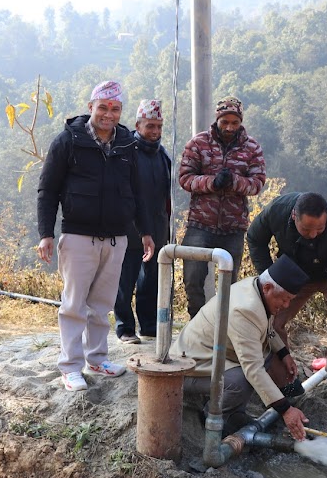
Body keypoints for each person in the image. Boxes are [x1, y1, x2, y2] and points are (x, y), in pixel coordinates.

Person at [36, 80, 155, 392]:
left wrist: (145, 232)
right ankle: (71, 367)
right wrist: (46, 234)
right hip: (78, 236)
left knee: (102, 304)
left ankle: (97, 358)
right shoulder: (68, 141)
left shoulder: (127, 143)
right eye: (102, 107)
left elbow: (137, 192)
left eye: (115, 109)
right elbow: (47, 190)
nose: (108, 114)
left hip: (117, 238)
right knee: (74, 304)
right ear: (91, 107)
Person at [171, 256, 311, 440]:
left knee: (269, 356)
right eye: (284, 300)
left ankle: (235, 412)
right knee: (241, 381)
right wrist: (286, 411)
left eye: (290, 301)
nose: (286, 306)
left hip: (215, 353)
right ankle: (213, 417)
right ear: (268, 288)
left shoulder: (257, 286)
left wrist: (284, 353)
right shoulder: (245, 309)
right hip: (190, 366)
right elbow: (253, 369)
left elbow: (267, 328)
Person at [246, 192, 327, 400]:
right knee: (272, 321)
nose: (314, 235)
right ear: (294, 216)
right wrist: (270, 276)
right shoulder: (278, 210)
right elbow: (254, 237)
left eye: (319, 229)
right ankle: (285, 380)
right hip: (294, 270)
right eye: (307, 229)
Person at [179, 96, 266, 319]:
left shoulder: (252, 148)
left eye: (234, 123)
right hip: (200, 224)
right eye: (224, 122)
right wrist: (212, 182)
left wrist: (235, 182)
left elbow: (257, 183)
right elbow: (185, 178)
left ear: (241, 122)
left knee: (230, 285)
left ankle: (221, 331)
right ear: (217, 119)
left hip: (233, 228)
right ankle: (195, 325)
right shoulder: (198, 143)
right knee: (192, 279)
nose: (229, 127)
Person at [113, 100, 171, 344]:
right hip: (129, 227)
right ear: (138, 125)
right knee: (125, 280)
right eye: (150, 126)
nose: (155, 132)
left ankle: (148, 325)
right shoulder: (127, 152)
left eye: (158, 126)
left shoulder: (163, 155)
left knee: (151, 280)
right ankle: (125, 328)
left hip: (157, 228)